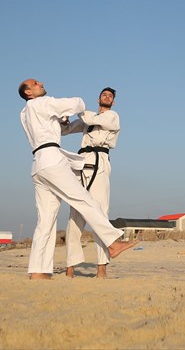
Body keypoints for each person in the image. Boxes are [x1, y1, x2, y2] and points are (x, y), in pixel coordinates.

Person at [18, 79, 135, 279]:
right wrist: (73, 110)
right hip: (53, 160)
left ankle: (38, 271)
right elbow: (79, 103)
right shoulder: (43, 103)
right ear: (29, 92)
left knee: (45, 220)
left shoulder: (25, 113)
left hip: (38, 164)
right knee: (83, 201)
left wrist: (63, 120)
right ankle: (113, 243)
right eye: (36, 83)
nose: (42, 83)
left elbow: (62, 128)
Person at [63, 86, 121, 278]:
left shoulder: (112, 116)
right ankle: (70, 267)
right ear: (98, 99)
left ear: (112, 102)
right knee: (75, 213)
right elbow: (66, 130)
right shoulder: (89, 120)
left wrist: (77, 108)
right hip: (82, 162)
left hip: (100, 161)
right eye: (104, 95)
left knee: (100, 211)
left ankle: (102, 267)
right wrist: (64, 118)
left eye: (110, 96)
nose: (107, 97)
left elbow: (89, 119)